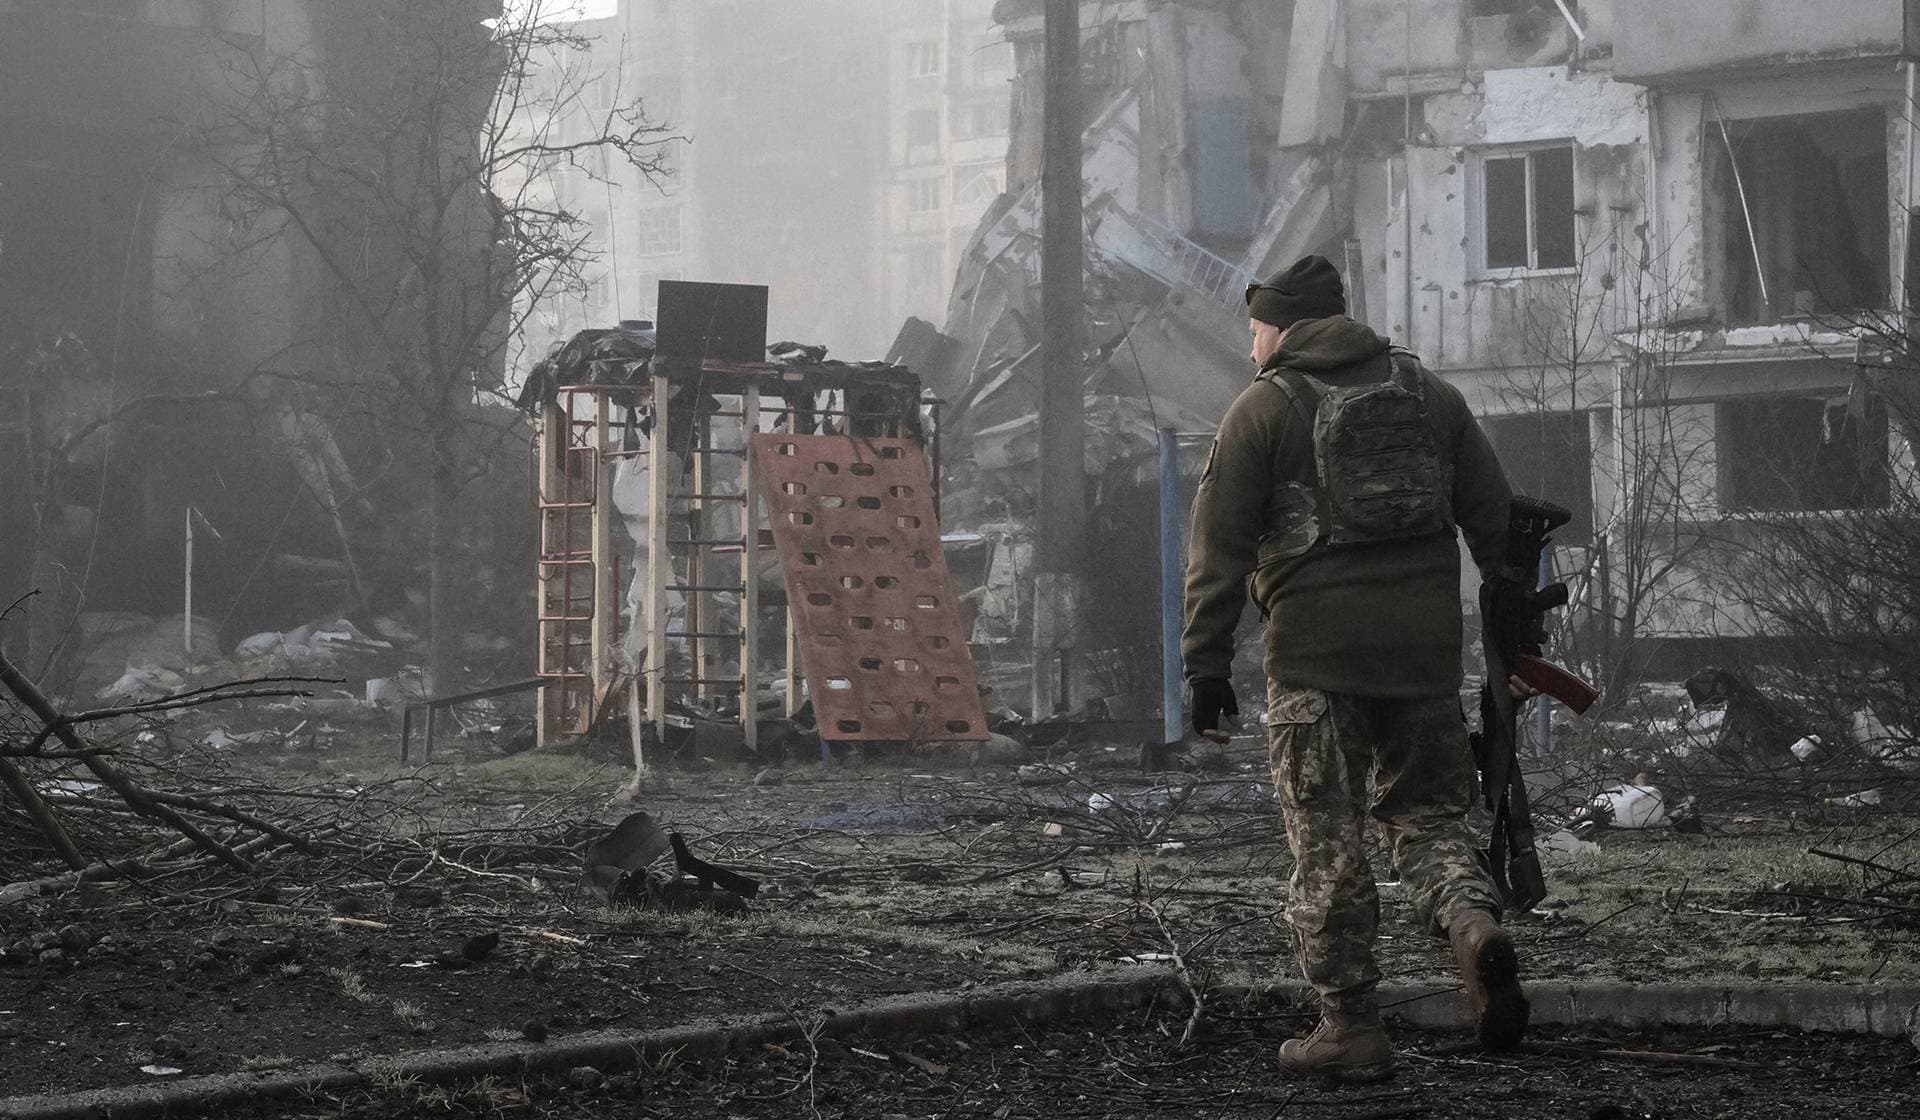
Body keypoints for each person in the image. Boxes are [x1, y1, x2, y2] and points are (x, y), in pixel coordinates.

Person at [1181, 254, 1528, 1081]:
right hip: (1425, 661)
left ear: (1284, 325)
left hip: (1315, 666)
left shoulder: (1262, 408)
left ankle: (1349, 1028)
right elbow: (1494, 515)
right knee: (1430, 821)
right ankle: (1474, 929)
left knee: (1329, 848)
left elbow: (1218, 545)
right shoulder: (1430, 395)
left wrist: (1206, 665)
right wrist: (1508, 618)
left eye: (1256, 328)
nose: (1252, 345)